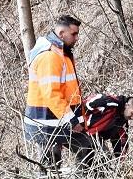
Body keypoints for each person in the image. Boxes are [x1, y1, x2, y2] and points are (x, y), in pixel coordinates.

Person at [24, 14, 90, 167]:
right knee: (51, 166)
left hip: (55, 121)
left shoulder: (61, 53)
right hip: (46, 122)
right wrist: (72, 121)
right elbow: (52, 94)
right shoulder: (50, 56)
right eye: (74, 34)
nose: (77, 38)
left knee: (85, 150)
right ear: (61, 34)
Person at [76, 93, 133, 162]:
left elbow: (121, 140)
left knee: (103, 158)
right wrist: (78, 123)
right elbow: (86, 104)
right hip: (76, 130)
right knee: (101, 156)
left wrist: (121, 159)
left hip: (91, 138)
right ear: (127, 105)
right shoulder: (110, 103)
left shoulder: (122, 121)